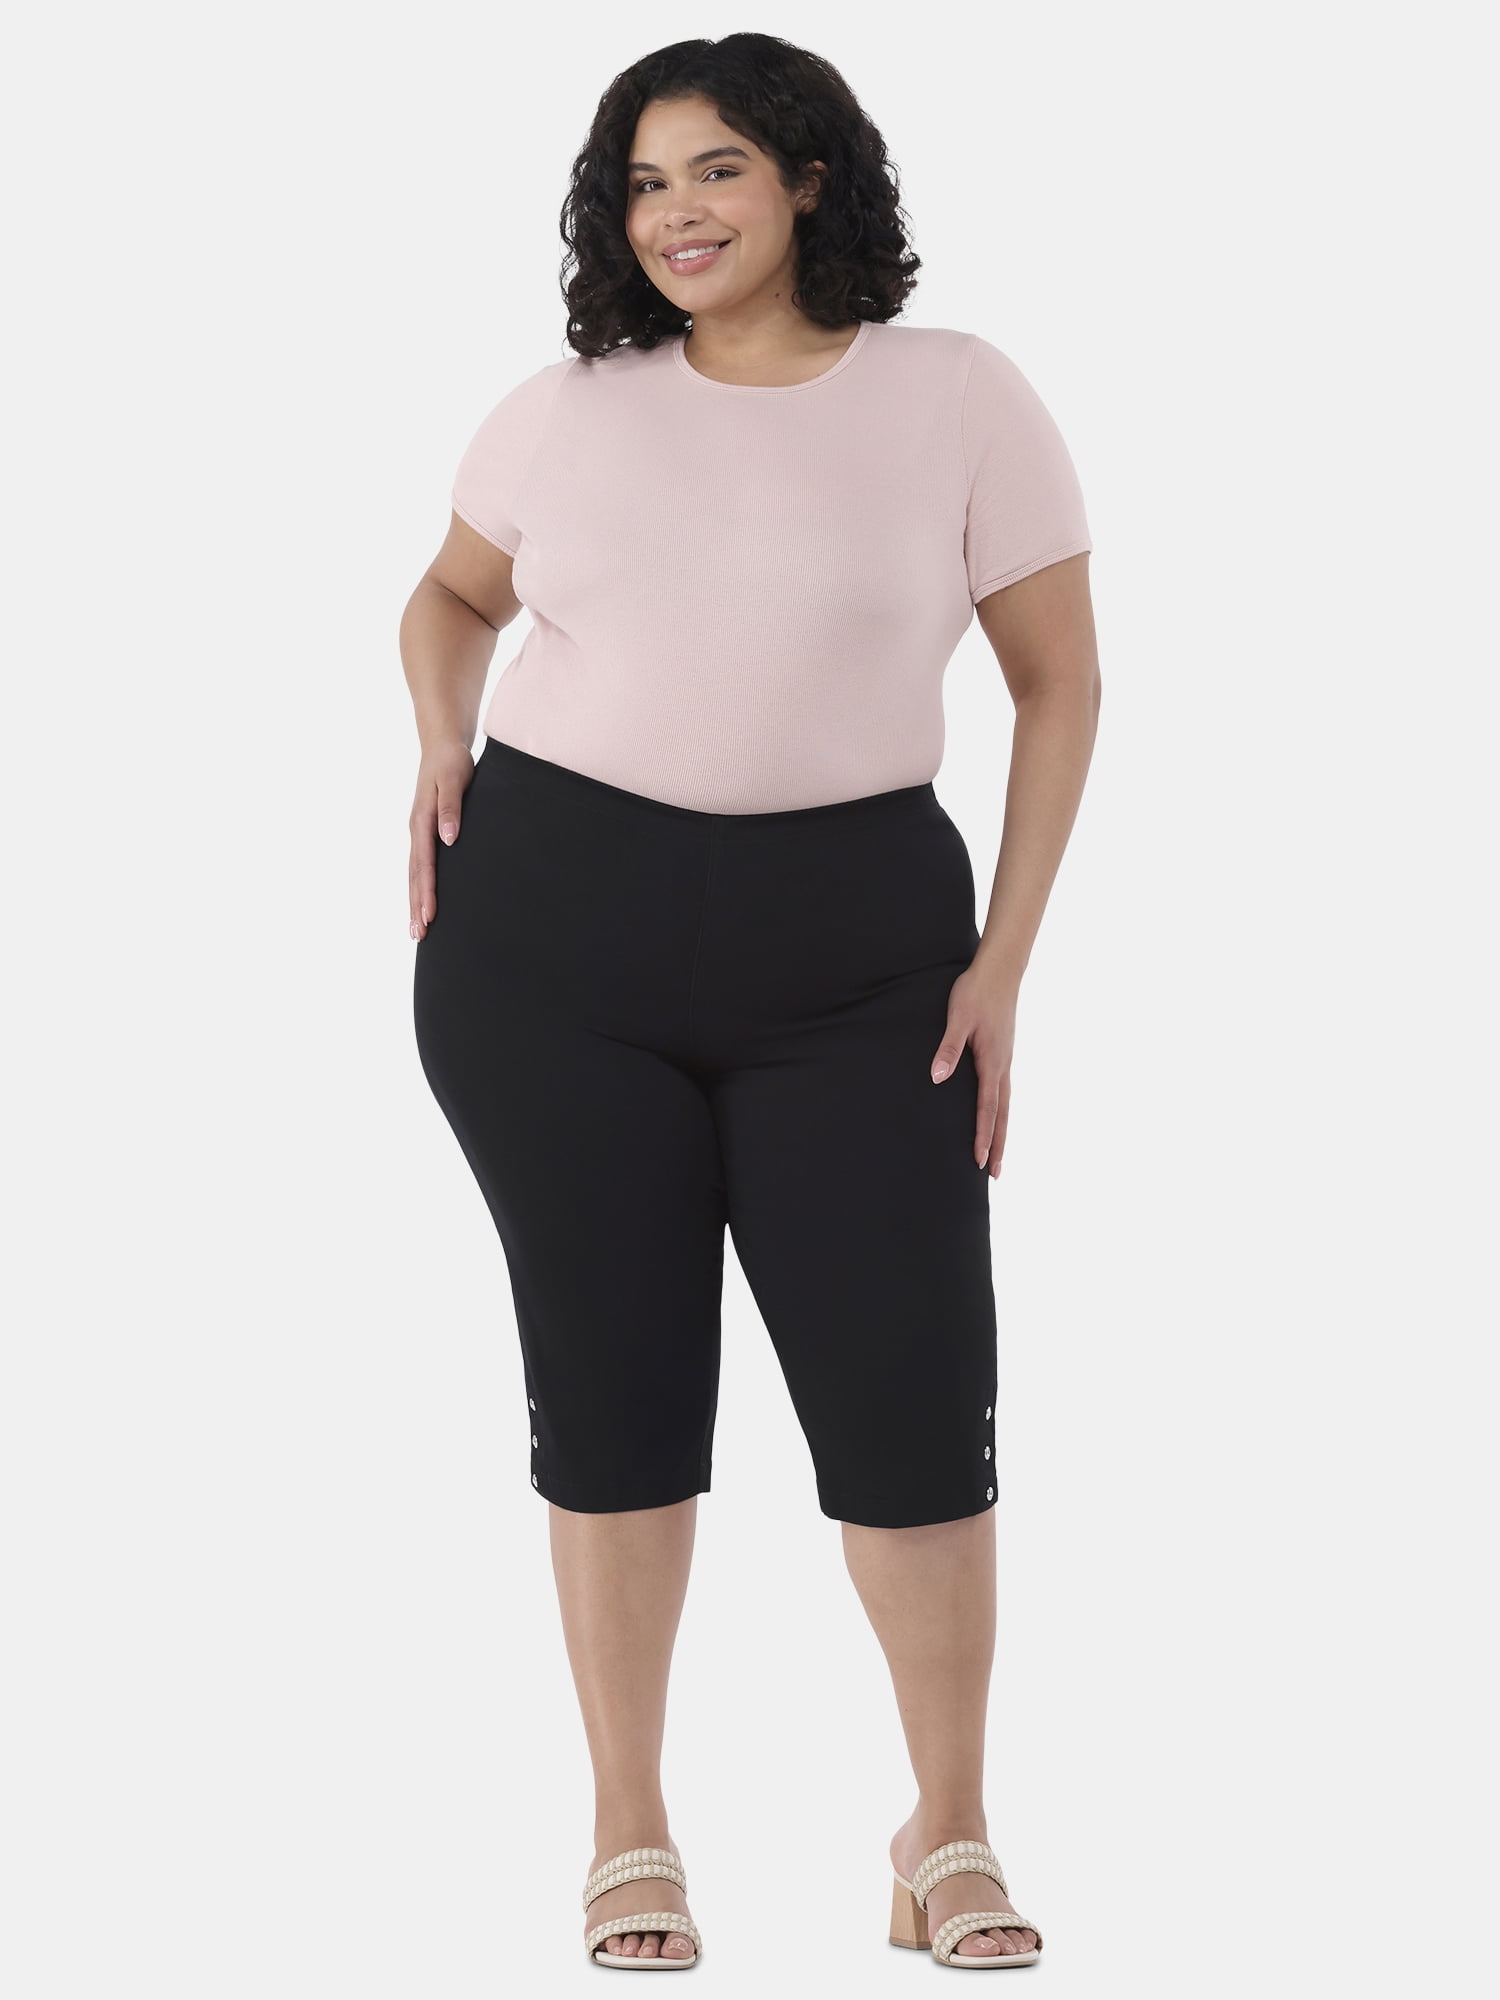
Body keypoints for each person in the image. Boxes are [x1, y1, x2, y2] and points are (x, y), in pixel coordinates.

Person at [402, 32, 1098, 1973]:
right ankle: (629, 1826)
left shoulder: (958, 397)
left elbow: (1061, 680)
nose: (677, 214)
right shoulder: (566, 409)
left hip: (858, 957)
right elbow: (446, 599)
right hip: (553, 947)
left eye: (716, 169)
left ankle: (946, 1827)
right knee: (614, 1388)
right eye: (643, 183)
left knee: (909, 1394)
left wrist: (1007, 959)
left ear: (807, 177)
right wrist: (441, 733)